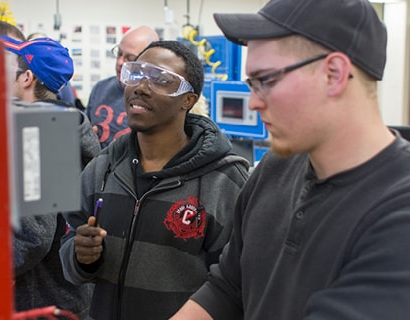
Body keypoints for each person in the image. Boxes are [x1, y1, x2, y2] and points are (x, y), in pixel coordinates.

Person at [170, 0, 410, 319]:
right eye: (251, 84)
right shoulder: (274, 169)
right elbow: (227, 288)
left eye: (266, 81)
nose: (253, 102)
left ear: (334, 74)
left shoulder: (399, 214)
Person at [59, 40, 250, 320]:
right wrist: (82, 258)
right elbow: (70, 248)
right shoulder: (104, 168)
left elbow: (234, 285)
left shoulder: (223, 181)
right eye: (136, 74)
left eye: (161, 79)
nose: (142, 87)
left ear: (188, 99)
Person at [1, 36, 101, 319]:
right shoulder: (51, 126)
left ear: (27, 78)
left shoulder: (45, 136)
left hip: (45, 300)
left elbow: (32, 237)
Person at [86, 25, 159, 148]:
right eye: (119, 54)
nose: (120, 62)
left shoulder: (158, 98)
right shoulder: (100, 88)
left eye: (129, 58)